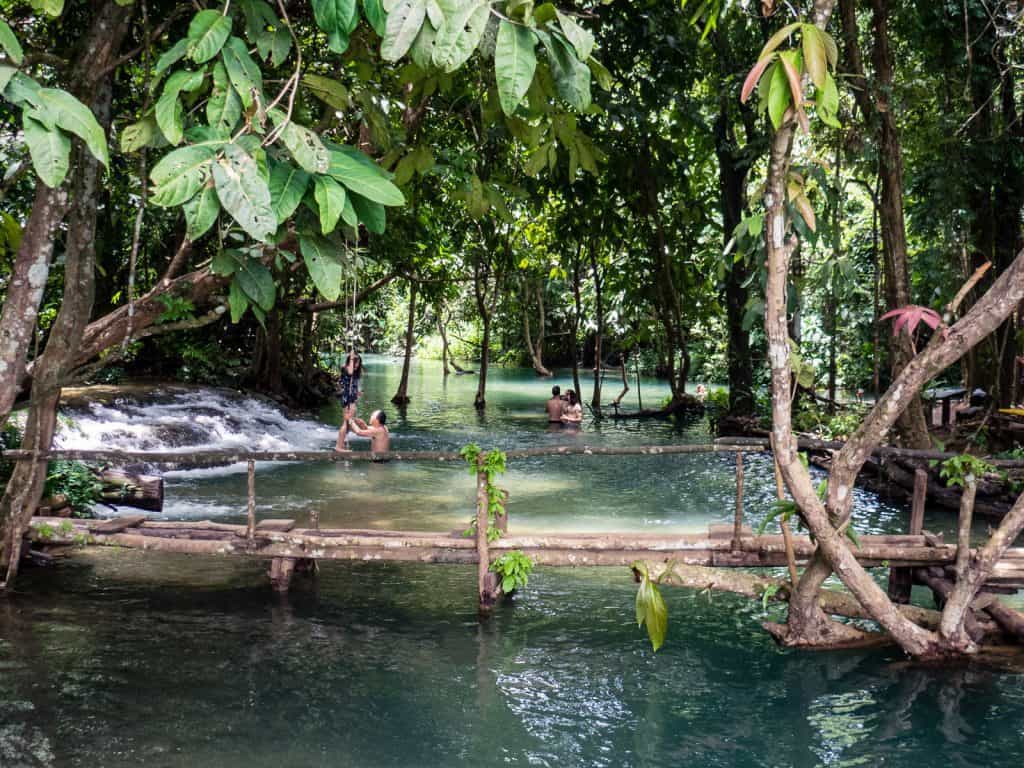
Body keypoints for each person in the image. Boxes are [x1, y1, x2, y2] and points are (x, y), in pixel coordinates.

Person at [334, 352, 363, 451]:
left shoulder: (353, 371)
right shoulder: (347, 368)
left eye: (358, 363)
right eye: (356, 362)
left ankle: (341, 445)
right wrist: (351, 358)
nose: (357, 365)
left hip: (351, 398)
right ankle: (338, 446)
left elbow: (350, 384)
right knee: (346, 423)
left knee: (347, 423)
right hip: (348, 399)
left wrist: (357, 392)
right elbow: (349, 372)